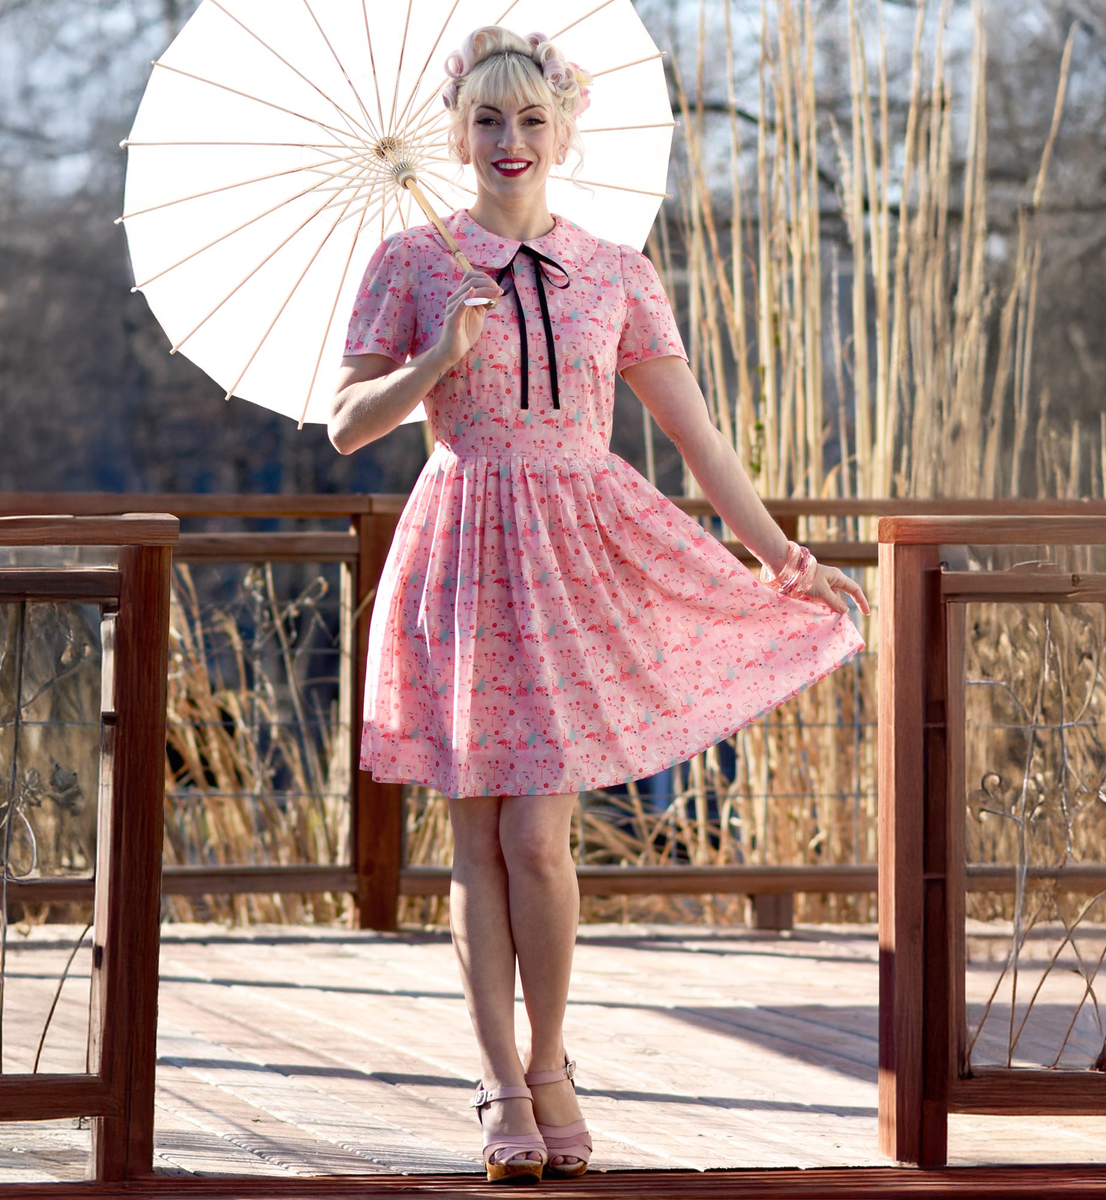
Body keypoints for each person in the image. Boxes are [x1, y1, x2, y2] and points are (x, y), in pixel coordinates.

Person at [329, 25, 870, 1185]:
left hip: (576, 559)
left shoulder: (617, 267)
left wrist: (780, 553)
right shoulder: (411, 264)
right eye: (487, 121)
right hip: (462, 548)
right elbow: (347, 425)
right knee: (474, 836)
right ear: (456, 133)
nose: (508, 141)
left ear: (563, 132)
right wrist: (438, 358)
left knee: (539, 835)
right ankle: (499, 1087)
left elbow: (695, 433)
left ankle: (554, 1060)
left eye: (530, 120)